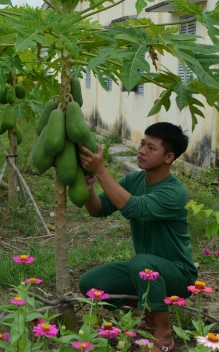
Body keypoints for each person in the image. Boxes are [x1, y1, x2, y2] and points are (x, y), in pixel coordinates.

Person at [77, 122, 197, 352]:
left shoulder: (174, 192)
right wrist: (90, 187)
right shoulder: (134, 180)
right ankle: (152, 312)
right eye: (142, 143)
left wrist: (101, 170)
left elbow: (133, 208)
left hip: (179, 275)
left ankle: (164, 334)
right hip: (144, 271)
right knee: (91, 284)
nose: (141, 150)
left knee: (142, 263)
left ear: (169, 157)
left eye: (151, 148)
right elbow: (98, 209)